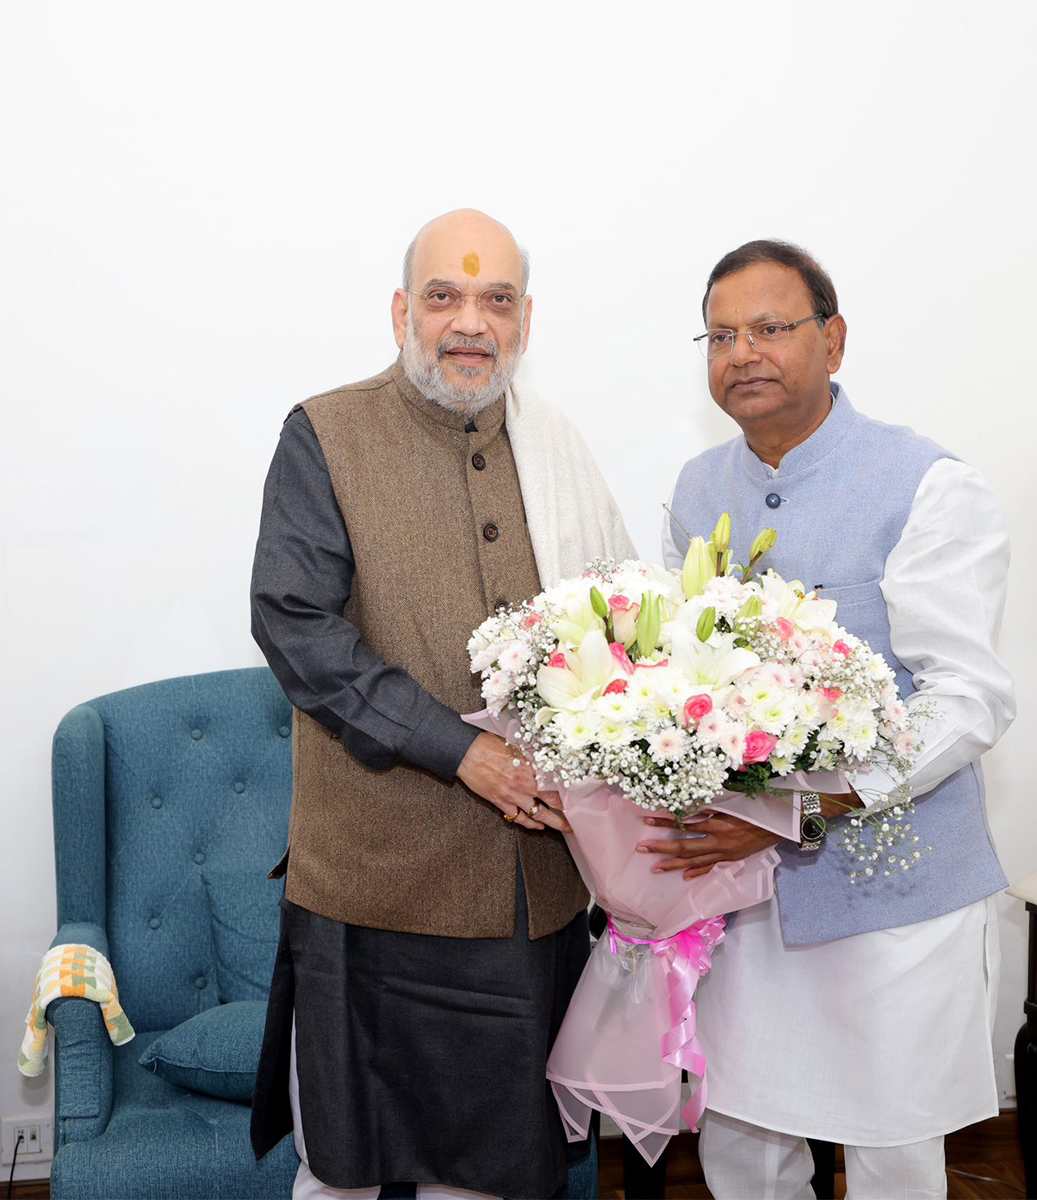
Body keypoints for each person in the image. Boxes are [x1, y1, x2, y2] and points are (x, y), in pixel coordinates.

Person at [248, 208, 635, 1200]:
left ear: (525, 319)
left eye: (495, 298)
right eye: (445, 296)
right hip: (376, 884)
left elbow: (622, 629)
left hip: (530, 888)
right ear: (399, 311)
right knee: (347, 1165)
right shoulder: (326, 434)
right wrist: (458, 752)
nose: (470, 321)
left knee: (500, 1171)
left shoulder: (553, 448)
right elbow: (295, 624)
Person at [648, 239, 1015, 1199]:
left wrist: (812, 806)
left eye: (771, 327)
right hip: (744, 893)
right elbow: (675, 679)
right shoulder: (695, 491)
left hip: (891, 896)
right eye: (722, 335)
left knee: (891, 1152)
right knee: (742, 1142)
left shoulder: (928, 484)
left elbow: (967, 696)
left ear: (834, 340)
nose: (743, 353)